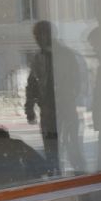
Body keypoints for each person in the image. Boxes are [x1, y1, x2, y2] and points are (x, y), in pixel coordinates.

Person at [25, 20, 86, 175]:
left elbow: (77, 80)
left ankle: (80, 175)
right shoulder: (38, 58)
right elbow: (31, 85)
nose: (38, 39)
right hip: (48, 110)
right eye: (36, 35)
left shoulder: (66, 55)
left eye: (41, 34)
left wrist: (68, 97)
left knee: (72, 145)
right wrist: (29, 108)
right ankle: (55, 174)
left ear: (50, 35)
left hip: (65, 107)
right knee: (51, 147)